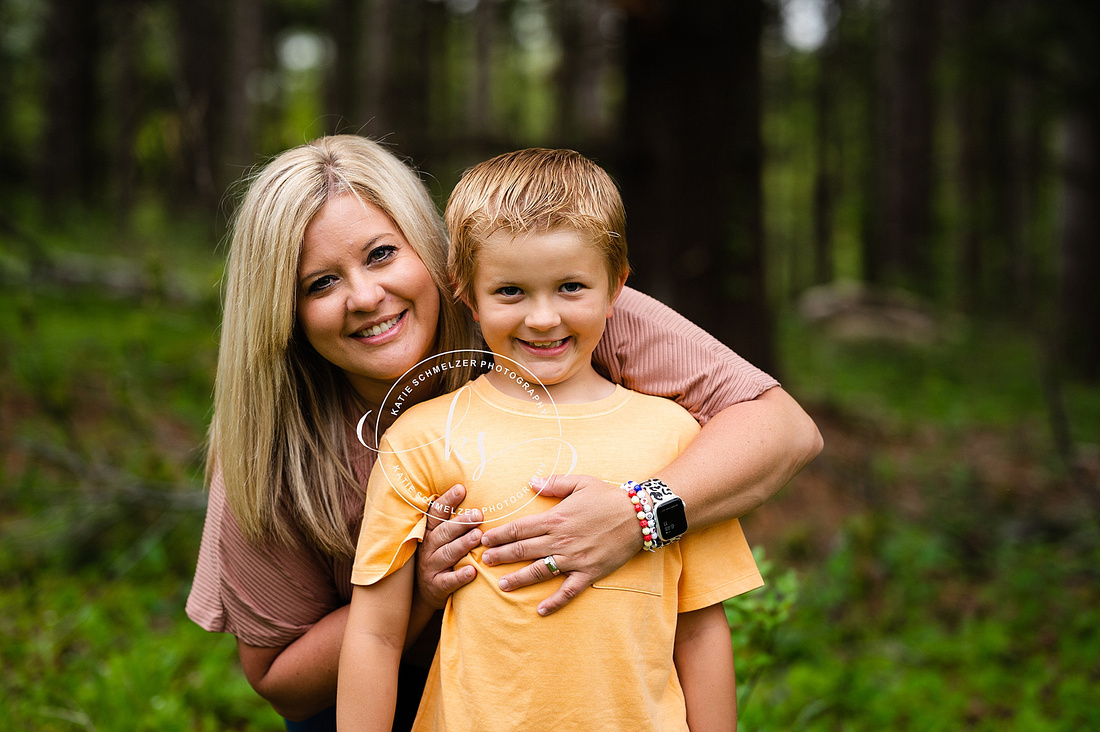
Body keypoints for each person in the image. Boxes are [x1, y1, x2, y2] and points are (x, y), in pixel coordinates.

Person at [185, 135, 822, 730]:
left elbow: (782, 429)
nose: (365, 296)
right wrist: (419, 594)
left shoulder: (555, 316)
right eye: (320, 283)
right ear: (283, 312)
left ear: (435, 259)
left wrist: (637, 515)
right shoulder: (271, 442)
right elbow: (278, 680)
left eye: (382, 254)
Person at [338, 148, 765, 731]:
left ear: (616, 286)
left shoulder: (676, 436)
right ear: (466, 291)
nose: (542, 318)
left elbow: (700, 630)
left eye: (570, 287)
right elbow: (375, 634)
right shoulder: (422, 436)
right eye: (510, 291)